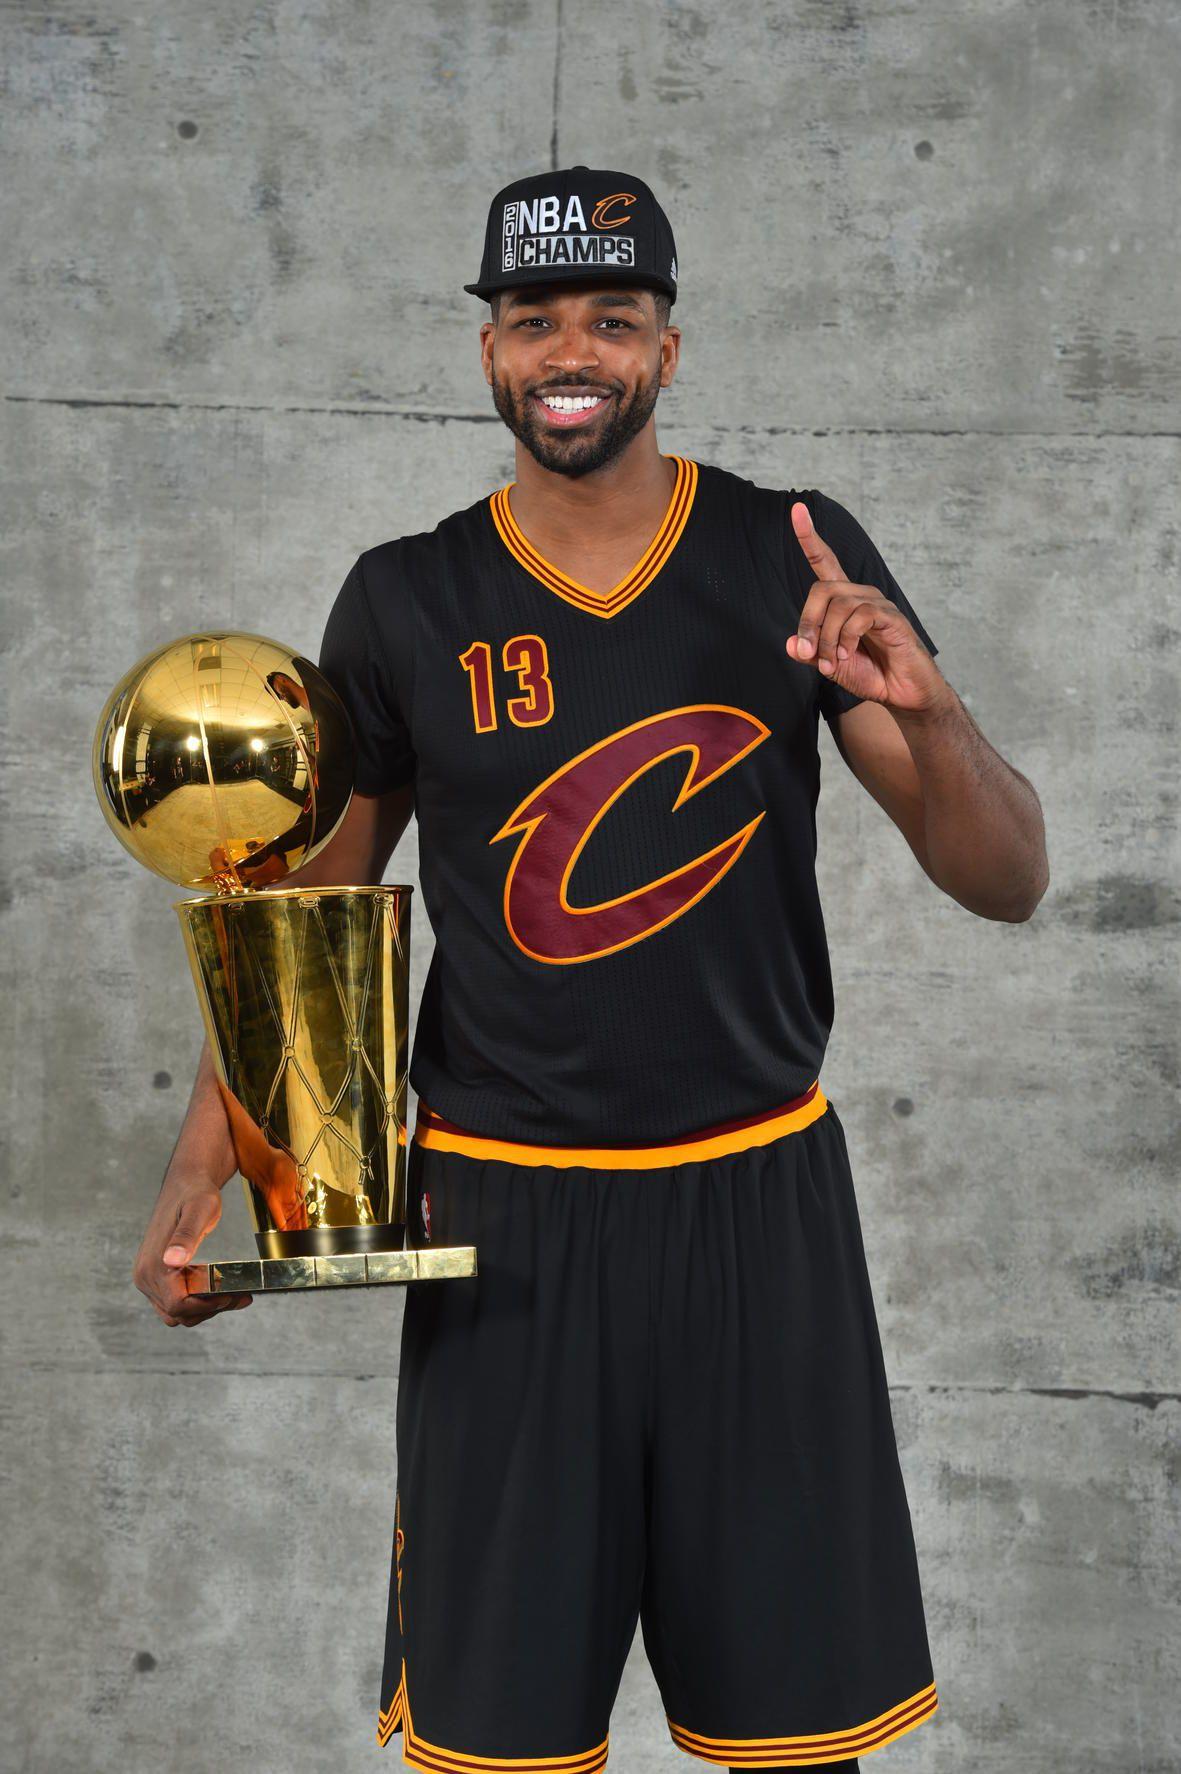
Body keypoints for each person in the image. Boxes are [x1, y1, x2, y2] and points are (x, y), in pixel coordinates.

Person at [134, 166, 1049, 1772]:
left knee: (797, 1743)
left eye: (612, 319)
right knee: (496, 1748)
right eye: (534, 316)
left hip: (756, 1204)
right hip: (504, 1219)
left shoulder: (788, 556)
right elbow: (313, 908)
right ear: (490, 349)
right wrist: (201, 1171)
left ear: (666, 350)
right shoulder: (405, 595)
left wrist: (936, 704)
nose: (572, 350)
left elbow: (1005, 878)